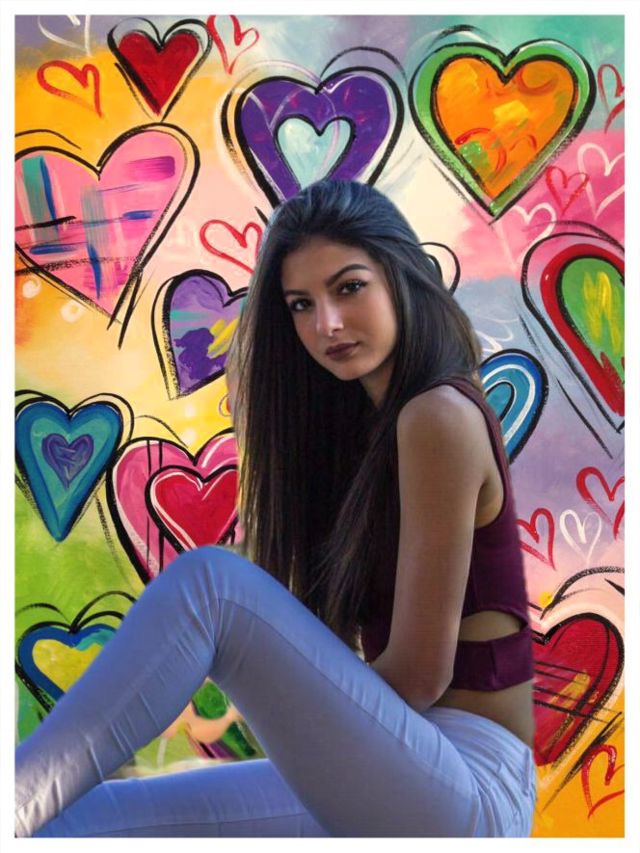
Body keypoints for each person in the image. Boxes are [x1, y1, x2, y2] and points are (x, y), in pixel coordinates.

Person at [15, 179, 536, 838]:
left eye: (350, 287)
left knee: (212, 588)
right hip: (406, 773)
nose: (327, 324)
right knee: (80, 823)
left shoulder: (437, 414)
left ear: (403, 277)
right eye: (301, 304)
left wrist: (285, 694)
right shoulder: (362, 434)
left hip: (470, 791)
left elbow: (416, 676)